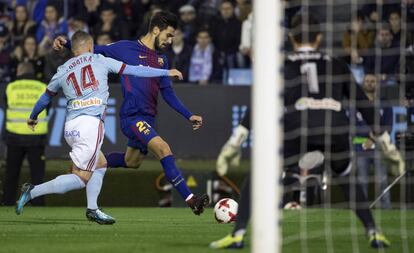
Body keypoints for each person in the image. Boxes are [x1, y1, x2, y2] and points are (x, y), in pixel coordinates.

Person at [209, 14, 404, 249]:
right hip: (334, 128)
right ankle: (373, 232)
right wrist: (387, 146)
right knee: (346, 178)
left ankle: (238, 234)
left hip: (296, 127)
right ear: (319, 38)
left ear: (291, 38)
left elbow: (261, 103)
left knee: (259, 175)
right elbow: (363, 104)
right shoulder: (336, 64)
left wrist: (235, 141)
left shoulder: (281, 65)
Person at [15, 30, 184, 224]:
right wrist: (165, 72)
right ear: (89, 46)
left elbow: (46, 97)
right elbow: (136, 69)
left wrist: (32, 116)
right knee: (80, 178)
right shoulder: (100, 60)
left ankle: (93, 208)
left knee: (101, 163)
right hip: (90, 125)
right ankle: (32, 191)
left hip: (71, 127)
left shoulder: (63, 68)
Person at [53, 11, 210, 216]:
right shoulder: (125, 48)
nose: (170, 40)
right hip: (132, 117)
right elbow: (93, 50)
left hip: (148, 118)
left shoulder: (161, 60)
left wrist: (188, 115)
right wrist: (65, 43)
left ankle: (95, 161)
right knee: (163, 148)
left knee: (132, 162)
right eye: (168, 35)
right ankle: (192, 200)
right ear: (155, 30)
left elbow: (168, 93)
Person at [1, 62, 48, 206]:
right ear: (32, 72)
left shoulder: (10, 87)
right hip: (36, 137)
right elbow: (48, 108)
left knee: (12, 173)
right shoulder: (42, 87)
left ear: (19, 71)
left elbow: (7, 105)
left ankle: (8, 201)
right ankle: (38, 203)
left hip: (14, 136)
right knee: (37, 174)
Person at [353, 74, 392, 209]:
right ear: (363, 84)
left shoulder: (385, 103)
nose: (369, 83)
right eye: (367, 81)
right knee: (362, 182)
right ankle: (363, 212)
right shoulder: (357, 104)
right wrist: (367, 137)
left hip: (379, 147)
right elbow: (351, 126)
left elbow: (388, 125)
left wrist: (373, 138)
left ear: (377, 84)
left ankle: (387, 212)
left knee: (382, 181)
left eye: (372, 81)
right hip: (360, 148)